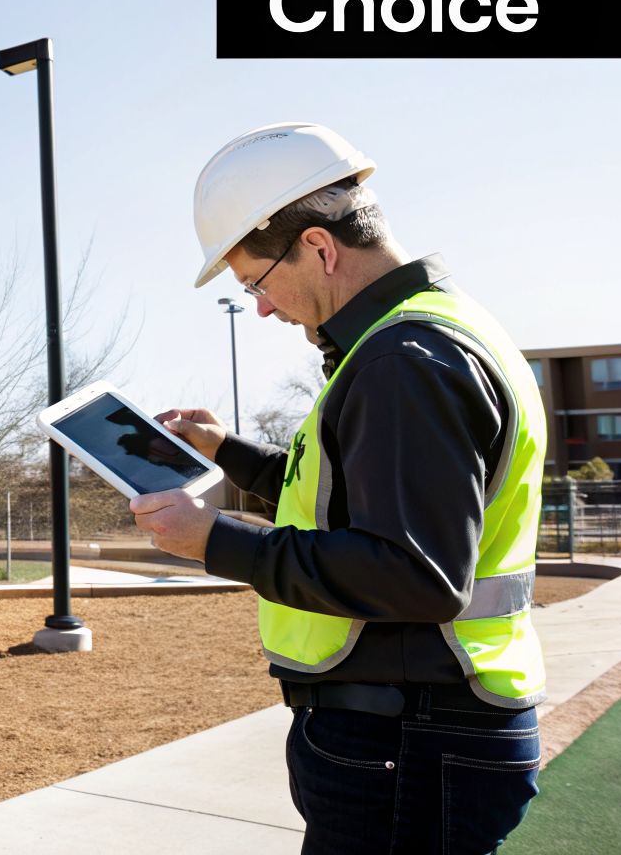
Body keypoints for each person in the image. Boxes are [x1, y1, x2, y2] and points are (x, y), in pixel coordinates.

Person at [131, 123, 547, 854]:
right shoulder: (431, 332)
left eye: (257, 282)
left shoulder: (401, 361)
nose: (260, 307)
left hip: (408, 732)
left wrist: (213, 541)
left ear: (320, 248)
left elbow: (417, 575)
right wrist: (225, 450)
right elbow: (338, 496)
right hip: (423, 724)